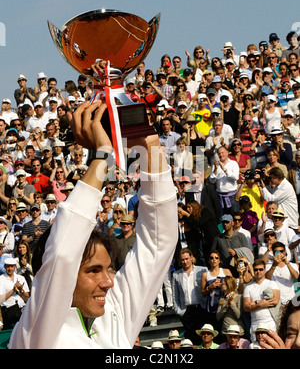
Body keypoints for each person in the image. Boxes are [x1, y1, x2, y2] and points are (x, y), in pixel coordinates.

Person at [9, 99, 178, 349]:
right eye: (93, 270)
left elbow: (158, 243)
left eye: (108, 269)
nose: (109, 281)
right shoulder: (35, 331)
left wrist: (149, 147)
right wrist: (102, 158)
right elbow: (63, 254)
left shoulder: (112, 313)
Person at [172, 248, 208, 345]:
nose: (185, 261)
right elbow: (175, 296)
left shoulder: (202, 270)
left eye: (187, 259)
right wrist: (179, 312)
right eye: (183, 260)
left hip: (201, 308)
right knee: (191, 340)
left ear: (191, 257)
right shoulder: (176, 274)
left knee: (204, 338)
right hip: (186, 311)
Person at [243, 259, 281, 338]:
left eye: (261, 269)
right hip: (255, 323)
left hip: (270, 322)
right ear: (253, 271)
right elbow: (246, 307)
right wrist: (261, 304)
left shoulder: (272, 283)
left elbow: (275, 300)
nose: (258, 271)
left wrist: (255, 302)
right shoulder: (248, 287)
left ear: (265, 270)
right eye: (256, 270)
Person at [201, 249, 232, 331]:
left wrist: (223, 285)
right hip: (212, 306)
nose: (214, 260)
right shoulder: (205, 275)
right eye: (211, 258)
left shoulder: (225, 271)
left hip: (225, 304)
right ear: (208, 261)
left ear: (219, 260)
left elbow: (233, 286)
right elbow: (203, 293)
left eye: (216, 258)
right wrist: (209, 287)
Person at [265, 241, 299, 305]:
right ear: (273, 253)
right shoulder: (269, 266)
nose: (279, 253)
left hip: (290, 299)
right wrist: (274, 265)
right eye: (277, 252)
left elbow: (296, 277)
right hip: (276, 300)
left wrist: (286, 262)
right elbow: (267, 278)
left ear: (284, 252)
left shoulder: (292, 265)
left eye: (281, 251)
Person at [0, 257, 30, 330]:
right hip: (9, 312)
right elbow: (1, 299)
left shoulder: (21, 278)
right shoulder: (1, 279)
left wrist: (21, 290)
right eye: (8, 266)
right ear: (4, 267)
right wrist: (13, 290)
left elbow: (27, 298)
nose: (10, 268)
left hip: (22, 309)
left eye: (12, 266)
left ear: (15, 267)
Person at [209, 146, 240, 215]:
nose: (221, 155)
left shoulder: (233, 163)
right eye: (219, 153)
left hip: (232, 196)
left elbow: (236, 177)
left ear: (227, 153)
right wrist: (215, 169)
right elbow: (212, 180)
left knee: (234, 217)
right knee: (221, 219)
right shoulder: (215, 165)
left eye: (222, 153)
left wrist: (225, 170)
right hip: (219, 196)